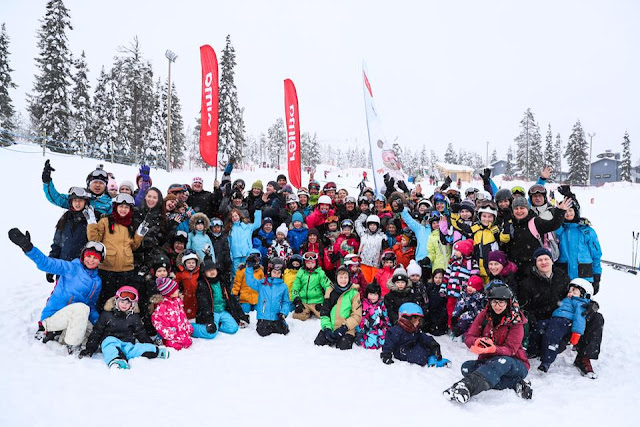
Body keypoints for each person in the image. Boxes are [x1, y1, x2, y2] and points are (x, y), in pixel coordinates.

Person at [9, 230, 103, 353]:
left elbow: (91, 306)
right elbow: (46, 263)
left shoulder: (97, 282)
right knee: (82, 308)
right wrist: (28, 248)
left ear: (100, 261)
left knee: (95, 333)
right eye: (88, 256)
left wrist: (100, 324)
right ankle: (72, 346)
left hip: (72, 318)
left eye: (95, 258)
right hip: (53, 318)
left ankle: (63, 337)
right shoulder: (71, 268)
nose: (91, 260)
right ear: (83, 256)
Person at [443, 282, 532, 403]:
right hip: (489, 361)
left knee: (501, 362)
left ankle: (466, 387)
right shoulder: (484, 315)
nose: (498, 306)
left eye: (502, 302)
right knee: (467, 368)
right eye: (494, 302)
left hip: (514, 363)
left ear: (508, 303)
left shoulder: (516, 321)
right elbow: (469, 336)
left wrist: (493, 349)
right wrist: (477, 341)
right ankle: (515, 383)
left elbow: (511, 350)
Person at [79, 286, 169, 369]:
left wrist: (149, 344)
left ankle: (156, 351)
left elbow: (141, 333)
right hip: (110, 343)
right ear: (117, 301)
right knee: (109, 343)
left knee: (136, 348)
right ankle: (116, 359)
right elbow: (97, 332)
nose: (124, 305)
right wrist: (90, 349)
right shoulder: (106, 314)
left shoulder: (134, 317)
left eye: (128, 303)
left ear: (132, 305)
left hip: (127, 345)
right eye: (122, 301)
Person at [85, 193, 145, 309]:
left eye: (126, 207)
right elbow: (94, 240)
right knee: (106, 300)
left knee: (124, 301)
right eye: (121, 206)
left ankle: (121, 324)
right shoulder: (105, 221)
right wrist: (92, 223)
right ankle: (104, 323)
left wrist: (139, 235)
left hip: (126, 270)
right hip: (107, 269)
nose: (123, 209)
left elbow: (133, 246)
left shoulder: (131, 225)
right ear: (115, 207)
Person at [500, 196, 571, 276]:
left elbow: (553, 225)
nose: (519, 211)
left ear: (528, 209)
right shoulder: (511, 224)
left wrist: (560, 211)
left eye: (522, 208)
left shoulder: (535, 222)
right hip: (516, 269)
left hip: (534, 268)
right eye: (516, 208)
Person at [534, 278, 593, 373]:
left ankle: (546, 361)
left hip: (564, 322)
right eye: (570, 290)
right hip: (554, 319)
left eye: (574, 291)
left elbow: (580, 319)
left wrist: (576, 333)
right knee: (539, 326)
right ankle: (533, 350)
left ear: (583, 295)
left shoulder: (580, 303)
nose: (570, 293)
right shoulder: (566, 299)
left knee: (551, 336)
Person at [380, 303, 450, 367]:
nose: (418, 322)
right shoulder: (397, 330)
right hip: (401, 350)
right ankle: (430, 359)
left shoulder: (414, 328)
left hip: (412, 345)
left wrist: (433, 344)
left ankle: (433, 357)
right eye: (416, 320)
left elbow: (423, 336)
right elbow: (389, 342)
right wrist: (386, 354)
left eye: (419, 320)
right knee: (420, 355)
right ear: (408, 319)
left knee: (427, 345)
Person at [47, 187, 91, 282]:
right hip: (64, 267)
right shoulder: (65, 218)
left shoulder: (92, 219)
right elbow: (56, 245)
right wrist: (51, 267)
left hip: (84, 269)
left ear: (85, 202)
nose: (77, 203)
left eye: (80, 200)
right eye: (75, 200)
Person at [555, 205, 602, 293]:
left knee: (582, 304)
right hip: (564, 276)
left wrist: (597, 276)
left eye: (570, 210)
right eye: (565, 211)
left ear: (575, 211)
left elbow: (596, 255)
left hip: (584, 276)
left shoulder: (587, 231)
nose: (568, 213)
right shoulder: (559, 230)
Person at [193, 258, 244, 339]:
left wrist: (241, 315)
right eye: (208, 270)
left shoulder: (221, 282)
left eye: (213, 269)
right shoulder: (203, 285)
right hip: (212, 312)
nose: (212, 272)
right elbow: (204, 305)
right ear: (204, 273)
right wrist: (209, 321)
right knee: (210, 334)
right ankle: (190, 328)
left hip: (222, 311)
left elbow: (231, 299)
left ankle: (217, 325)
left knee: (233, 328)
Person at [314, 266, 362, 350]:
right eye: (341, 277)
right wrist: (327, 328)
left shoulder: (354, 293)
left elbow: (357, 316)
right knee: (318, 343)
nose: (343, 280)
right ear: (336, 278)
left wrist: (344, 328)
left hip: (346, 329)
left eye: (345, 277)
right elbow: (324, 312)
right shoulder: (330, 291)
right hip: (331, 326)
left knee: (343, 347)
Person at [42, 161, 113, 215]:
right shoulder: (80, 197)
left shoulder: (109, 203)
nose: (98, 185)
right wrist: (47, 181)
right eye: (94, 182)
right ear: (88, 184)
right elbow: (56, 198)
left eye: (101, 183)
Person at [245, 258, 292, 337]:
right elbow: (250, 281)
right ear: (270, 272)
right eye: (274, 272)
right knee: (262, 333)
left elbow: (285, 302)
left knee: (284, 332)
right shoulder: (262, 284)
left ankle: (282, 323)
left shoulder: (283, 286)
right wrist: (249, 267)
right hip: (264, 317)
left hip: (277, 317)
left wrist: (283, 313)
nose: (276, 274)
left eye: (278, 272)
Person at [440, 239, 480, 329]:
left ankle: (459, 328)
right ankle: (451, 327)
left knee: (461, 311)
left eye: (457, 251)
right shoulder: (453, 262)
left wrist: (471, 288)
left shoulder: (471, 264)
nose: (455, 253)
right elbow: (446, 276)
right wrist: (443, 288)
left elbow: (475, 278)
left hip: (462, 294)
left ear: (464, 252)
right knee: (450, 310)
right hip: (451, 292)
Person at [151, 278, 194, 350]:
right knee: (176, 345)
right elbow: (158, 322)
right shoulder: (162, 306)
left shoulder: (177, 301)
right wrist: (170, 333)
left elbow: (183, 316)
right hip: (171, 334)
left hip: (180, 331)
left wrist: (187, 327)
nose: (178, 290)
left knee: (187, 342)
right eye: (176, 289)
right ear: (170, 292)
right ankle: (159, 339)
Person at [291, 252, 332, 320]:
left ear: (316, 263)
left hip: (317, 301)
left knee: (325, 316)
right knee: (298, 316)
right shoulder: (301, 273)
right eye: (308, 263)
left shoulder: (320, 273)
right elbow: (295, 287)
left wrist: (325, 302)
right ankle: (307, 312)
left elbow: (328, 286)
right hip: (304, 301)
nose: (310, 265)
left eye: (312, 263)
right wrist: (297, 300)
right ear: (304, 263)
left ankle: (314, 311)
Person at [228, 208, 262, 279]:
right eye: (233, 216)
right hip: (235, 255)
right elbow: (229, 243)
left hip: (246, 253)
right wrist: (230, 254)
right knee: (236, 275)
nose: (234, 218)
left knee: (248, 273)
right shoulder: (230, 230)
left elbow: (257, 224)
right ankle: (235, 290)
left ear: (239, 216)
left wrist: (258, 210)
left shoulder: (247, 226)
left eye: (236, 216)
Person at [355, 213, 389, 284]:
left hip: (375, 264)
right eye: (370, 225)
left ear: (377, 226)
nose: (372, 227)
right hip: (363, 262)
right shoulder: (363, 234)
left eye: (374, 225)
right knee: (364, 281)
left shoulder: (382, 236)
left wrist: (385, 244)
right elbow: (357, 223)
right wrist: (364, 215)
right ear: (368, 226)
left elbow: (385, 251)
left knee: (374, 282)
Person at [356, 282, 390, 350]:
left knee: (385, 342)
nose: (373, 297)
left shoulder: (381, 304)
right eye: (371, 294)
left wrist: (387, 326)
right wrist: (360, 330)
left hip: (380, 328)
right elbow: (361, 318)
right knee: (371, 344)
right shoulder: (364, 305)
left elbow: (385, 316)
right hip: (368, 329)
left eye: (375, 295)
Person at [232, 249, 264, 316]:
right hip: (245, 298)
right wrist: (234, 294)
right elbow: (237, 283)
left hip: (256, 298)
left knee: (258, 313)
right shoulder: (242, 271)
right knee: (245, 313)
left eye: (257, 259)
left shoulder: (260, 271)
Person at [174, 249, 202, 319]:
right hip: (186, 295)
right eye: (189, 263)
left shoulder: (199, 273)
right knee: (186, 308)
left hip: (196, 294)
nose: (191, 265)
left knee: (196, 307)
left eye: (193, 263)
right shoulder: (181, 274)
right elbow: (175, 282)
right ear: (184, 264)